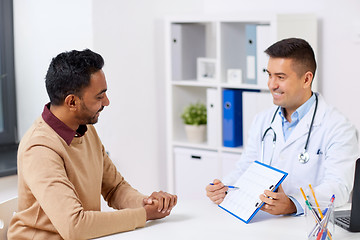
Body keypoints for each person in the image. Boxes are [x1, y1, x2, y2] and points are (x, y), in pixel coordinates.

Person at [8, 49, 177, 239]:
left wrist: (146, 203)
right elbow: (75, 226)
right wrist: (144, 215)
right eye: (99, 96)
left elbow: (115, 188)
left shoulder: (85, 130)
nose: (107, 101)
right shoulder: (39, 149)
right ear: (72, 102)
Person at [206, 38, 359, 216]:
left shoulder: (338, 127)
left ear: (306, 79)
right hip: (263, 222)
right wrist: (223, 187)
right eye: (269, 75)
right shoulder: (262, 120)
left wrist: (294, 204)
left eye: (280, 77)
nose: (272, 84)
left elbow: (339, 186)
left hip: (308, 224)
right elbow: (246, 167)